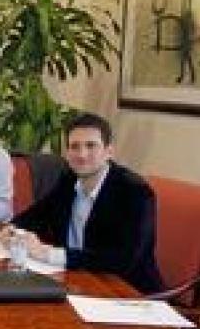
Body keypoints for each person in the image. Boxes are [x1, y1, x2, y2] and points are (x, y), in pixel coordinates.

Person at [11, 112, 163, 293]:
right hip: (76, 281)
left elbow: (124, 260)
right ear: (67, 153)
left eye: (91, 146)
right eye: (74, 147)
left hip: (127, 292)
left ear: (108, 151)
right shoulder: (69, 179)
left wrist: (49, 254)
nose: (82, 155)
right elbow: (35, 216)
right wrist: (12, 230)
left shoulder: (135, 192)